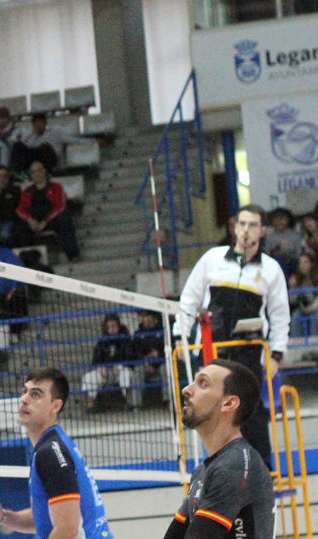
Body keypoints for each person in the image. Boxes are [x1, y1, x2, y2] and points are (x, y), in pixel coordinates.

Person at [175, 203, 289, 470]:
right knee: (211, 417)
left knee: (250, 416)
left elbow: (281, 316)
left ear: (261, 231)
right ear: (235, 227)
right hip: (212, 354)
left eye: (252, 225)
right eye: (242, 224)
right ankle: (220, 477)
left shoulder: (271, 269)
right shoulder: (212, 259)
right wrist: (180, 336)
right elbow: (188, 300)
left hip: (249, 356)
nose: (246, 230)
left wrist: (276, 355)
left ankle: (263, 478)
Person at [0, 368, 112, 539]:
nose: (24, 399)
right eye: (25, 392)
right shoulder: (52, 446)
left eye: (35, 394)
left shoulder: (50, 453)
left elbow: (67, 531)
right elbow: (48, 518)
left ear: (55, 406)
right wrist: (3, 517)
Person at [163, 359, 273, 538]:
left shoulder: (235, 465)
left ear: (229, 404)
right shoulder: (204, 471)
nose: (186, 389)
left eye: (203, 384)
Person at [15, 161, 81, 262]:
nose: (37, 174)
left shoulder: (56, 187)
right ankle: (27, 260)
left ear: (44, 171)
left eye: (39, 170)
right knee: (19, 229)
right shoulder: (27, 191)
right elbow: (20, 209)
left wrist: (45, 222)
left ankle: (73, 255)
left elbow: (60, 206)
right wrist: (30, 220)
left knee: (65, 221)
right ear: (31, 175)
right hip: (34, 219)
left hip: (52, 219)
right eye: (33, 172)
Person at [79, 314, 136, 411]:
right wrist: (100, 368)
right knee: (88, 377)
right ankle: (90, 404)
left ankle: (128, 403)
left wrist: (120, 367)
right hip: (105, 373)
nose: (112, 329)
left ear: (118, 325)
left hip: (121, 371)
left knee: (126, 375)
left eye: (114, 326)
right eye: (109, 327)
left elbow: (131, 358)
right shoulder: (102, 341)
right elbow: (95, 359)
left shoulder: (126, 339)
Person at [131, 310, 169, 407]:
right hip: (145, 365)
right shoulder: (138, 333)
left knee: (166, 369)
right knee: (137, 371)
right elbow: (136, 352)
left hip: (160, 363)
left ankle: (167, 401)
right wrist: (145, 362)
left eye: (147, 316)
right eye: (143, 316)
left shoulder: (162, 331)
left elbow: (166, 350)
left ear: (153, 317)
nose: (145, 319)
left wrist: (158, 355)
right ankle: (136, 405)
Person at [265, 207, 302, 275]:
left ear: (288, 220)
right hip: (273, 264)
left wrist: (287, 255)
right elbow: (266, 253)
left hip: (291, 264)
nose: (279, 221)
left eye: (282, 219)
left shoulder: (296, 235)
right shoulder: (269, 236)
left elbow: (299, 254)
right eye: (276, 218)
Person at [290, 251, 318, 317]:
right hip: (304, 309)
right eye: (300, 263)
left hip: (315, 308)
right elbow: (292, 301)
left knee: (315, 317)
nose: (302, 266)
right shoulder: (297, 279)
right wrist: (292, 287)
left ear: (311, 264)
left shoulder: (316, 277)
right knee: (295, 316)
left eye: (306, 262)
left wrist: (310, 309)